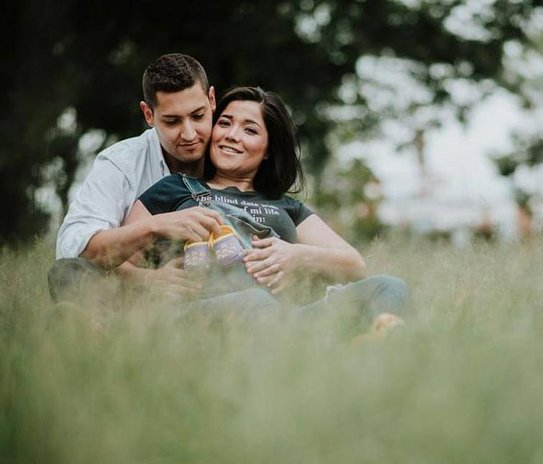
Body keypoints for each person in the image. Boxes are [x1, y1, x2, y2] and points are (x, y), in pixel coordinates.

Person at [125, 86, 408, 330]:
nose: (232, 135)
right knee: (257, 303)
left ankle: (373, 345)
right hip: (207, 313)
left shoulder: (286, 206)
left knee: (390, 286)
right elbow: (115, 258)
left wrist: (296, 256)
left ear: (269, 148)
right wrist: (152, 280)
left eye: (249, 129)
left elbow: (354, 264)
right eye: (224, 123)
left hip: (289, 318)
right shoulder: (174, 188)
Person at [49, 53, 225, 301]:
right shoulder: (120, 163)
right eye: (172, 121)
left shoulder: (235, 150)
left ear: (212, 100)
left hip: (218, 288)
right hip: (134, 291)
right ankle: (89, 333)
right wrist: (156, 229)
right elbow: (76, 248)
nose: (189, 134)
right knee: (68, 273)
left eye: (198, 116)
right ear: (148, 115)